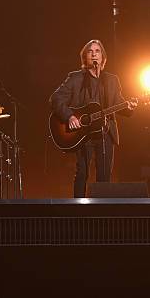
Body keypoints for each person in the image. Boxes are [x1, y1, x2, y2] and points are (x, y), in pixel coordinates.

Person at [50, 40, 137, 198]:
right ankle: (78, 210)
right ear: (85, 57)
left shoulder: (112, 80)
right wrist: (69, 116)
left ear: (103, 57)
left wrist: (129, 107)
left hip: (106, 133)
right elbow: (55, 99)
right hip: (83, 133)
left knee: (104, 177)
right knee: (82, 173)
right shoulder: (75, 78)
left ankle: (102, 213)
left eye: (97, 51)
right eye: (90, 51)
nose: (94, 54)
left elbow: (118, 104)